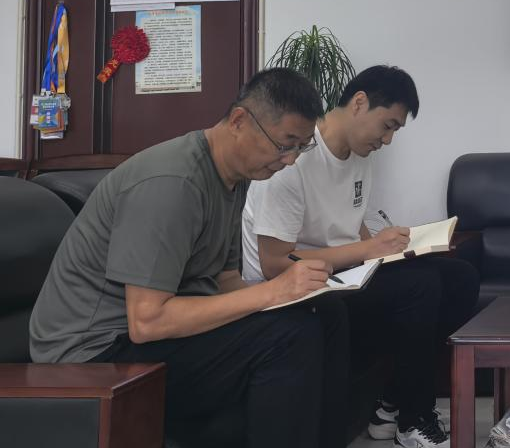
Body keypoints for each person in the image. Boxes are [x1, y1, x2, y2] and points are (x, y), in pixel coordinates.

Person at [29, 68, 349, 448]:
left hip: (143, 334)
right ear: (239, 121)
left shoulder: (235, 179)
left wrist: (294, 297)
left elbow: (224, 281)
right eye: (284, 145)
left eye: (301, 148)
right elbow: (146, 321)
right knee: (287, 338)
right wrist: (273, 292)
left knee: (323, 312)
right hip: (92, 353)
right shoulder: (173, 183)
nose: (291, 161)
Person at [242, 65, 480, 448]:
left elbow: (354, 229)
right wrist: (370, 249)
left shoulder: (359, 156)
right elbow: (273, 262)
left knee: (460, 276)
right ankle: (413, 419)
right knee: (420, 286)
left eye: (394, 131)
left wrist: (396, 248)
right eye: (387, 126)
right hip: (299, 289)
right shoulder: (293, 160)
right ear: (358, 103)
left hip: (345, 276)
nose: (387, 140)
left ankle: (391, 403)